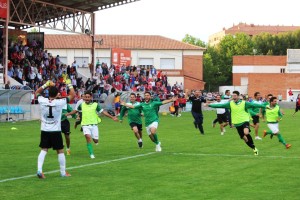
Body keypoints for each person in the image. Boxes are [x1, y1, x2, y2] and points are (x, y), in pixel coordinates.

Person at [35, 79, 75, 179]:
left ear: (48, 93)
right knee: (60, 150)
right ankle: (62, 172)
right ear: (57, 93)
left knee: (44, 150)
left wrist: (46, 84)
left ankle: (39, 170)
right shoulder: (60, 102)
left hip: (44, 129)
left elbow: (37, 92)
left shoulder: (42, 100)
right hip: (55, 130)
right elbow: (73, 95)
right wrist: (69, 83)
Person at [209, 90, 268, 156]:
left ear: (238, 96)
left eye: (235, 96)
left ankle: (253, 146)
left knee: (246, 133)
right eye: (233, 96)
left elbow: (254, 104)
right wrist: (210, 105)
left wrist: (265, 106)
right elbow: (220, 105)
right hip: (237, 123)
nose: (234, 97)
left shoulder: (244, 103)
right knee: (244, 138)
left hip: (244, 121)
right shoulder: (230, 104)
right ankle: (254, 148)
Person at [77, 90, 118, 159]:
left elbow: (103, 112)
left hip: (94, 126)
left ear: (91, 98)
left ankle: (95, 139)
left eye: (88, 97)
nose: (87, 98)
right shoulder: (81, 105)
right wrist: (77, 116)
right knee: (88, 137)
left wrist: (112, 117)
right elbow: (78, 111)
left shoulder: (95, 105)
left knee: (96, 140)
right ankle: (91, 154)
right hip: (85, 125)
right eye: (85, 97)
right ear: (84, 97)